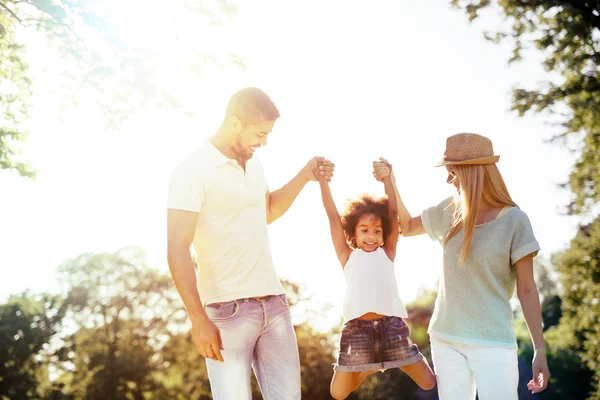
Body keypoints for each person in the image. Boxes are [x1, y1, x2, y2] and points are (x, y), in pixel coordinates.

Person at [166, 87, 334, 400]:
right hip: (226, 313)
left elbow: (267, 210)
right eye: (259, 133)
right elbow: (177, 248)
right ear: (234, 124)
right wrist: (197, 318)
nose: (264, 142)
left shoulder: (254, 166)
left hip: (274, 304)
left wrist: (305, 174)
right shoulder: (191, 172)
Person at [372, 133, 550, 400]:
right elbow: (406, 227)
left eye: (452, 172)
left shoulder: (515, 220)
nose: (447, 179)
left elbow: (527, 289)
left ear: (471, 172)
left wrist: (540, 349)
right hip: (446, 338)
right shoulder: (449, 210)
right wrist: (390, 182)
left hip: (493, 342)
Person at [317, 158, 436, 400]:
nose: (371, 236)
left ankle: (393, 358)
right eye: (364, 230)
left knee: (428, 382)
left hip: (391, 329)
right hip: (357, 332)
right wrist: (323, 183)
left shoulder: (387, 252)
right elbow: (332, 217)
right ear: (352, 232)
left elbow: (392, 213)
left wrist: (387, 180)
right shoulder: (347, 256)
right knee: (338, 394)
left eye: (377, 230)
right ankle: (373, 364)